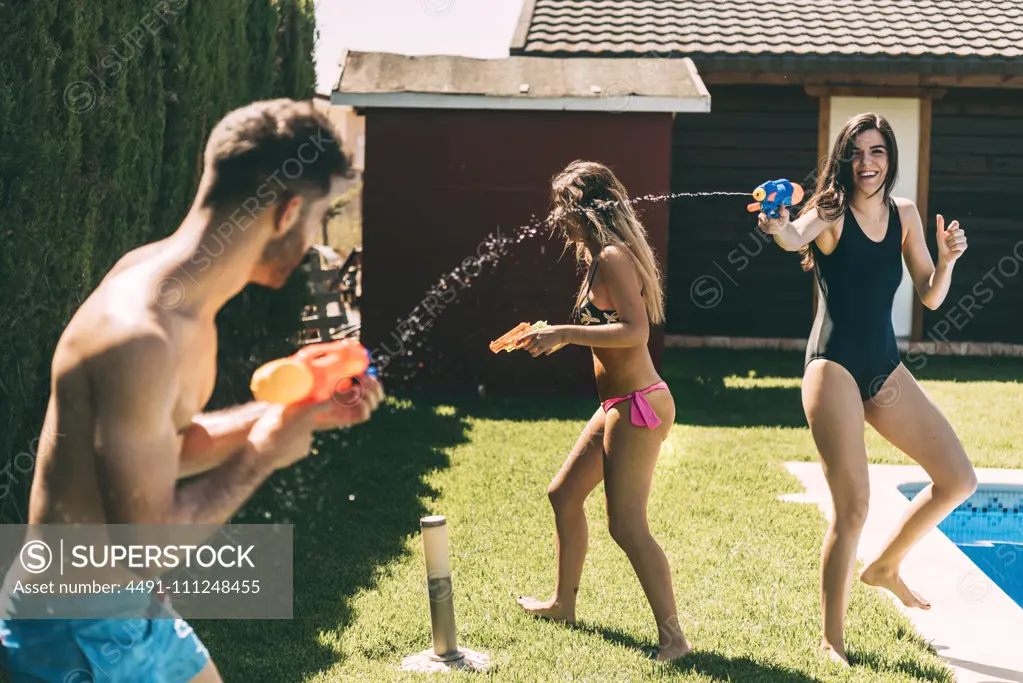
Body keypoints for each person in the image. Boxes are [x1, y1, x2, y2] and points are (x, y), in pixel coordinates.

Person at [0, 99, 384, 682]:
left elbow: (165, 447)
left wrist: (295, 407)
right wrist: (263, 454)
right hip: (72, 630)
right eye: (318, 218)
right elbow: (144, 548)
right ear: (286, 214)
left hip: (124, 606)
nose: (314, 241)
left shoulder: (172, 297)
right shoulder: (141, 335)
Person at [759, 113, 977, 666]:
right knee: (852, 506)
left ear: (890, 157)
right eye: (856, 153)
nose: (867, 163)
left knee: (958, 479)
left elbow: (930, 295)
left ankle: (884, 567)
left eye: (876, 152)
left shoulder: (905, 215)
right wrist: (777, 224)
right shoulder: (829, 210)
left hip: (884, 367)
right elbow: (793, 237)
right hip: (832, 366)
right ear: (844, 158)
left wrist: (947, 261)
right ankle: (831, 640)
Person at [513, 160, 690, 662]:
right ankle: (563, 604)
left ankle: (675, 638)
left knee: (627, 525)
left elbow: (637, 332)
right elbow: (612, 325)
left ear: (587, 208)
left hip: (638, 405)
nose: (556, 217)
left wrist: (565, 334)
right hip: (618, 403)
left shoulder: (613, 256)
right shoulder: (599, 258)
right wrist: (551, 333)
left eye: (562, 206)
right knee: (563, 494)